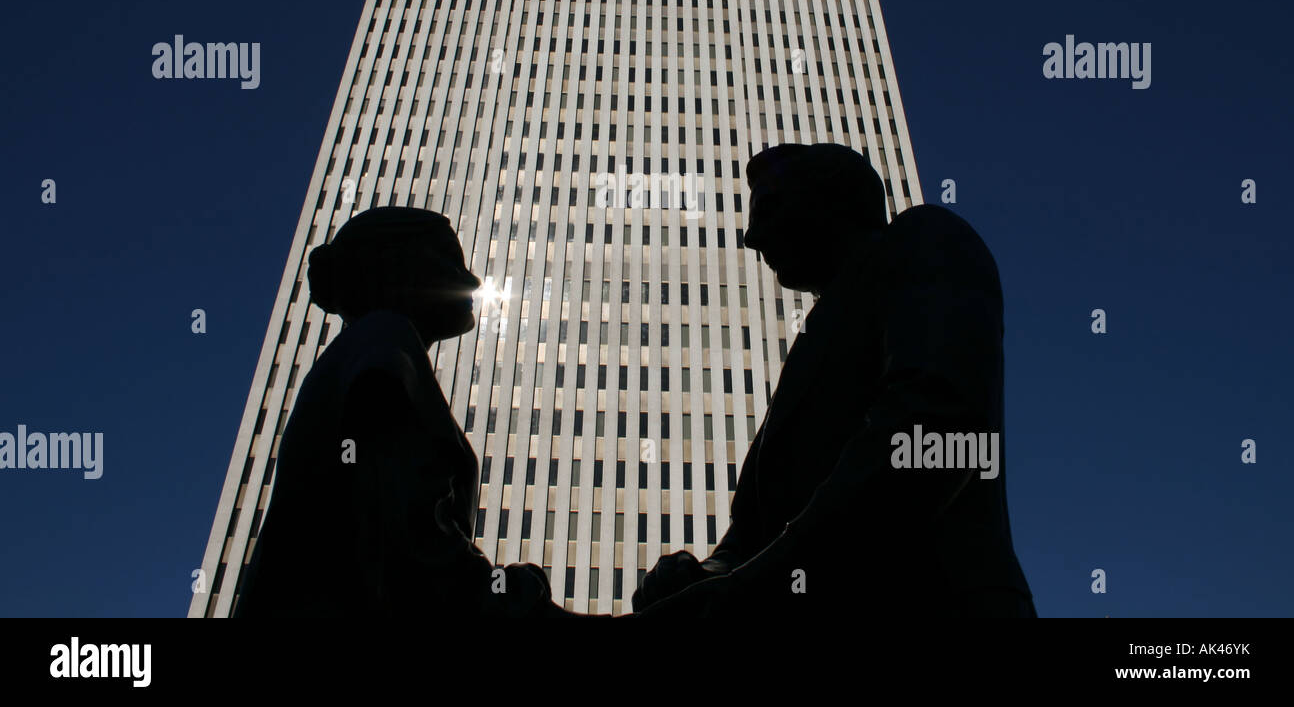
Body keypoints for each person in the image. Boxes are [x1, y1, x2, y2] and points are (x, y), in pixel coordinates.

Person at [634, 143, 1036, 617]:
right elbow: (753, 531)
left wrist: (752, 584)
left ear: (830, 199)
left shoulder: (923, 239)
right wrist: (698, 576)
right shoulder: (808, 349)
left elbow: (935, 425)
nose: (752, 237)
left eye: (770, 209)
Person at [233, 205, 562, 617]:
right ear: (399, 270)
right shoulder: (384, 339)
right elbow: (415, 546)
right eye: (448, 260)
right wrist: (518, 597)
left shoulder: (369, 350)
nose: (473, 280)